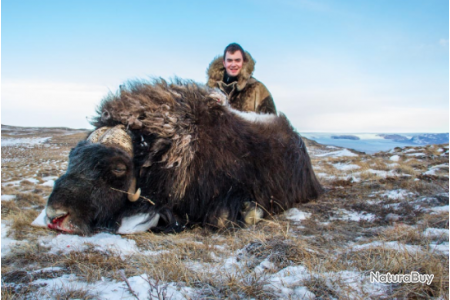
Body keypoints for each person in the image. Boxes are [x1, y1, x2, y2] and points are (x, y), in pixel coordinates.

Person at [206, 43, 277, 114]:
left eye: (237, 60)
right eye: (230, 60)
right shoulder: (209, 89)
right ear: (224, 63)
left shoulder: (258, 89)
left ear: (243, 62)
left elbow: (273, 122)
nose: (233, 65)